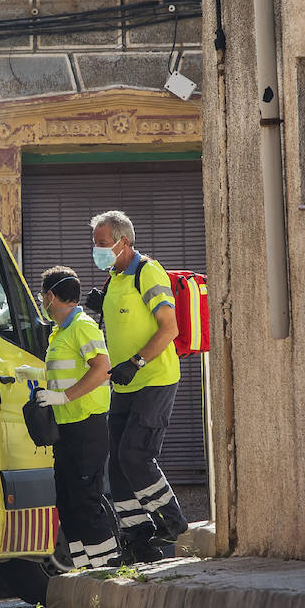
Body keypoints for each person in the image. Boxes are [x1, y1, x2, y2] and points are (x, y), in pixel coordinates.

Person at [85, 211, 188, 563]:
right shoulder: (115, 277)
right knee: (117, 465)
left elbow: (169, 328)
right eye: (95, 243)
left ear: (123, 242)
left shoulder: (148, 272)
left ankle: (171, 522)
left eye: (102, 244)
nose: (96, 250)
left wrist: (136, 362)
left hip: (154, 379)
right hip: (125, 385)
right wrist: (104, 304)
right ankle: (138, 539)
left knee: (135, 455)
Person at [34, 266, 120, 570]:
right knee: (68, 502)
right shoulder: (61, 331)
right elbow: (66, 372)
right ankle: (84, 569)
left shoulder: (82, 326)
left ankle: (108, 566)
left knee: (85, 499)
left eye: (43, 294)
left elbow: (102, 368)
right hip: (66, 427)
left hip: (86, 423)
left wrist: (63, 397)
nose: (42, 300)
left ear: (52, 295)